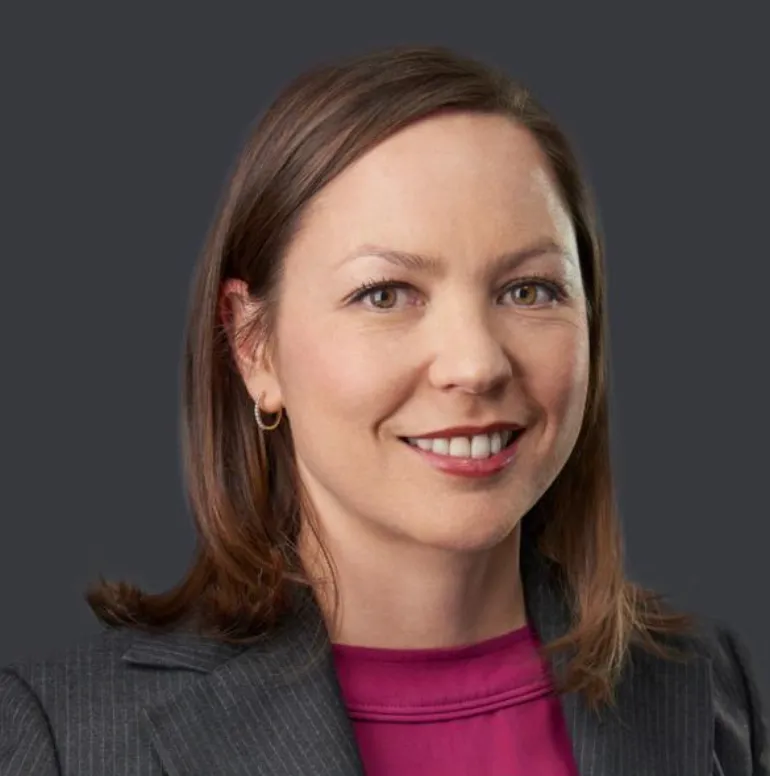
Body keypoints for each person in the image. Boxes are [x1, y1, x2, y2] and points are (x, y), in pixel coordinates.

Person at [1, 45, 766, 776]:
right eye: (386, 294)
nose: (475, 364)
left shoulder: (707, 690)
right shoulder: (66, 735)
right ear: (254, 348)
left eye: (529, 290)